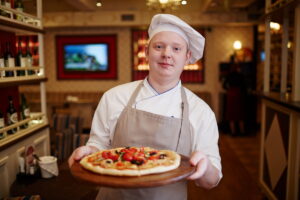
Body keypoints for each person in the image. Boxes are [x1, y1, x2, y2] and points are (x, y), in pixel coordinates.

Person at [68, 14, 222, 200]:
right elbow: (99, 147)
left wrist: (204, 166)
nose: (167, 53)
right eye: (158, 46)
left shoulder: (201, 112)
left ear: (187, 57)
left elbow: (210, 181)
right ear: (147, 52)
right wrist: (89, 152)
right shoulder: (114, 97)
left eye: (176, 48)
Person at [223, 61, 246, 136]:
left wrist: (229, 89)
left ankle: (233, 132)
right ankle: (242, 132)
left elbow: (224, 86)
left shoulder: (229, 75)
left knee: (231, 114)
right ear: (237, 68)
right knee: (240, 114)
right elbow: (244, 86)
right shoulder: (241, 75)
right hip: (238, 94)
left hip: (231, 94)